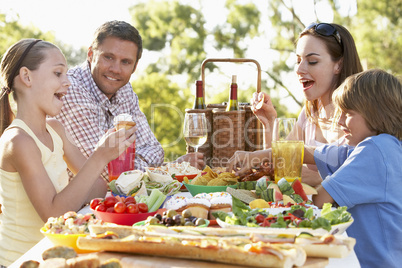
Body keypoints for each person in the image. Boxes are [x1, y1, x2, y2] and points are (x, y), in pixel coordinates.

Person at [0, 39, 136, 265]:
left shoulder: (55, 129)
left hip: (54, 255)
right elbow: (53, 215)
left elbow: (97, 189)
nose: (68, 82)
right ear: (26, 77)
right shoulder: (18, 141)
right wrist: (100, 155)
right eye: (57, 74)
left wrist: (110, 155)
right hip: (21, 261)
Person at [55, 20, 203, 182]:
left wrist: (131, 165)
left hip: (116, 199)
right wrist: (165, 170)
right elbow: (103, 172)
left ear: (135, 66)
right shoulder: (70, 89)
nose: (116, 69)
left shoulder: (123, 89)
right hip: (76, 204)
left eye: (125, 62)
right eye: (108, 57)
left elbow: (154, 149)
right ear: (91, 55)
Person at [228, 23, 363, 186]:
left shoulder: (359, 119)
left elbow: (368, 181)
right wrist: (269, 123)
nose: (299, 69)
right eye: (298, 60)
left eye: (312, 61)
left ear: (339, 65)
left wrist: (318, 180)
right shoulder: (310, 113)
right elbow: (279, 163)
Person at [308, 69, 402, 267]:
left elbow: (320, 199)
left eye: (348, 113)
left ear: (376, 114)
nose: (340, 121)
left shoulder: (376, 149)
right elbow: (312, 153)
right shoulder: (386, 147)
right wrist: (259, 156)